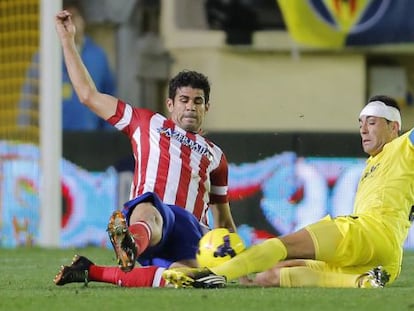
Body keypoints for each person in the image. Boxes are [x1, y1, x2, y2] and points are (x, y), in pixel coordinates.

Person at [52, 9, 236, 288]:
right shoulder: (146, 122)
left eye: (198, 102)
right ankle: (129, 247)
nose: (190, 106)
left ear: (206, 108)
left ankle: (92, 270)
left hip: (193, 231)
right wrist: (67, 41)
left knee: (187, 278)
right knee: (150, 207)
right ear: (170, 104)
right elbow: (88, 96)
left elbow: (224, 219)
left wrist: (237, 258)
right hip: (156, 218)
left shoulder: (216, 156)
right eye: (184, 99)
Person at [163, 95, 414, 289]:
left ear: (394, 127)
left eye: (372, 122)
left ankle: (214, 275)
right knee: (271, 275)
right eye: (361, 123)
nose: (363, 129)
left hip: (367, 233)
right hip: (388, 260)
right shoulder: (376, 163)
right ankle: (363, 282)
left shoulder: (402, 147)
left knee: (282, 245)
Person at [19, 0, 116, 131]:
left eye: (73, 17)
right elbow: (28, 98)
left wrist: (108, 136)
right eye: (63, 19)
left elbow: (109, 95)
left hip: (89, 139)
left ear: (83, 21)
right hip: (53, 139)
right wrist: (24, 132)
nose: (69, 22)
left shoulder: (98, 56)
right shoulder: (42, 57)